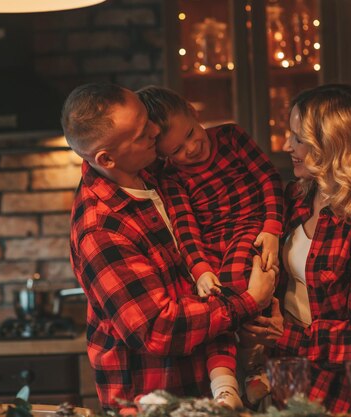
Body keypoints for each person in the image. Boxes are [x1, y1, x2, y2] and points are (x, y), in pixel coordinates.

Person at [62, 82, 278, 410]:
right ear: (106, 158)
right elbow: (157, 328)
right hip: (157, 401)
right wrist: (248, 301)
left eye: (147, 117)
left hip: (213, 392)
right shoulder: (101, 229)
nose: (154, 130)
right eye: (140, 132)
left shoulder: (156, 168)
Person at [241, 83, 351, 413]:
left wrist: (286, 336)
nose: (287, 145)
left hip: (339, 400)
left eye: (299, 138)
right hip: (282, 389)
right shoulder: (294, 199)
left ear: (333, 143)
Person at [136, 86, 284, 408]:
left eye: (191, 133)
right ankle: (226, 387)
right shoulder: (172, 177)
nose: (191, 148)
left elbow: (269, 180)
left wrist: (272, 229)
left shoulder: (232, 138)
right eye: (176, 149)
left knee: (235, 290)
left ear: (194, 112)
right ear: (163, 155)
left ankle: (254, 371)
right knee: (212, 305)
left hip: (250, 230)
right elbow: (185, 229)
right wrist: (200, 269)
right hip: (210, 246)